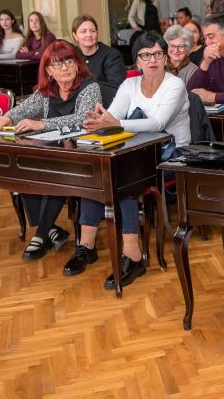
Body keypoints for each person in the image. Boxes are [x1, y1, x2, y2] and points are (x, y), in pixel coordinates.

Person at [71, 32, 190, 288]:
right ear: (137, 61)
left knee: (124, 178)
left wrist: (117, 123)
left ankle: (132, 255)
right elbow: (111, 118)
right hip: (136, 152)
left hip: (172, 156)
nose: (153, 60)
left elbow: (159, 124)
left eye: (158, 54)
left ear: (166, 58)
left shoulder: (174, 85)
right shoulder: (129, 85)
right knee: (96, 172)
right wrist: (97, 123)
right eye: (146, 55)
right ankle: (86, 245)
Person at [0, 40, 101, 260]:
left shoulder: (89, 86)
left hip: (82, 155)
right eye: (57, 64)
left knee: (55, 175)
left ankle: (41, 235)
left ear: (77, 64)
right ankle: (52, 229)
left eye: (69, 61)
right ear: (49, 71)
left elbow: (83, 119)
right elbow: (25, 108)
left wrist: (41, 124)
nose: (65, 68)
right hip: (52, 152)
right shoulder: (47, 90)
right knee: (22, 168)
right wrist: (8, 116)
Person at [71, 14, 127, 106]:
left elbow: (117, 89)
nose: (89, 35)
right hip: (73, 104)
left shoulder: (112, 55)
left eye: (92, 31)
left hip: (104, 106)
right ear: (75, 35)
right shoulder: (71, 55)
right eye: (83, 31)